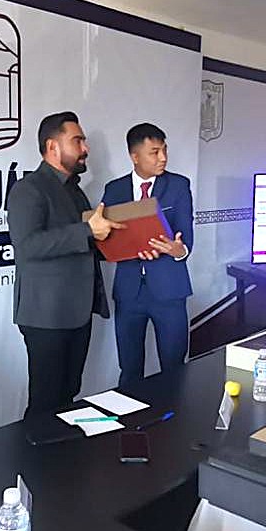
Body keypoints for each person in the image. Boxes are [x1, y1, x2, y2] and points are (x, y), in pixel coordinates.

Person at [7, 111, 124, 417]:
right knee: (45, 401)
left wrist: (128, 246)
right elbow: (28, 245)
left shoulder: (75, 191)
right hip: (46, 315)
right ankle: (34, 449)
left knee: (68, 394)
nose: (86, 148)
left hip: (77, 312)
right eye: (78, 141)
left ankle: (62, 448)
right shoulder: (28, 188)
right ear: (53, 146)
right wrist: (87, 230)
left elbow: (85, 244)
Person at [102, 123, 194, 387]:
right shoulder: (114, 190)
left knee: (175, 370)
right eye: (154, 152)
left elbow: (186, 239)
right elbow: (106, 236)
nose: (162, 157)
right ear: (135, 156)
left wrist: (179, 251)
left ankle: (175, 413)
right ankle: (131, 414)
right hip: (129, 292)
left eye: (164, 150)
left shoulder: (178, 186)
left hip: (169, 291)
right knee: (129, 370)